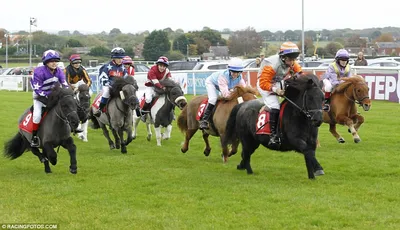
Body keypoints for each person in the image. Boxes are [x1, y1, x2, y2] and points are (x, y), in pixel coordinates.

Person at [257, 41, 302, 147]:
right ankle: (273, 135)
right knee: (276, 106)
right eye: (290, 59)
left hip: (277, 82)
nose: (292, 62)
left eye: (294, 59)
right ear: (283, 57)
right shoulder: (271, 65)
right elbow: (264, 83)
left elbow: (300, 74)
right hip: (264, 84)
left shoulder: (291, 62)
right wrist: (275, 90)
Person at [30, 50, 70, 147]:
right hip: (40, 97)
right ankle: (34, 137)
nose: (54, 63)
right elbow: (37, 90)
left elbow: (65, 85)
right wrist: (52, 94)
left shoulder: (59, 71)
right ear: (46, 62)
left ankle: (70, 129)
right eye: (51, 61)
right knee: (37, 116)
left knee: (66, 109)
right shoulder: (39, 72)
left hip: (54, 95)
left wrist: (68, 93)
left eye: (56, 61)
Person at [199, 58, 247, 130]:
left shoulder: (240, 78)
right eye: (233, 72)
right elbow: (226, 95)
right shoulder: (223, 76)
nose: (235, 74)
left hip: (224, 86)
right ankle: (204, 120)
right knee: (213, 99)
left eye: (238, 72)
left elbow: (244, 91)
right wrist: (234, 93)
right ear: (229, 70)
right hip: (212, 83)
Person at [93, 47, 127, 117]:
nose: (120, 60)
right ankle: (100, 109)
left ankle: (135, 109)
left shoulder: (123, 68)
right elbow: (103, 79)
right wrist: (110, 85)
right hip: (109, 85)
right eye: (118, 58)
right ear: (113, 58)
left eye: (121, 58)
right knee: (106, 92)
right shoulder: (106, 67)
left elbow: (126, 78)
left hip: (120, 87)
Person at [140, 56, 171, 121]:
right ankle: (144, 113)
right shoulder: (152, 70)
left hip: (161, 87)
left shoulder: (167, 71)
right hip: (151, 86)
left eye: (164, 66)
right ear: (157, 65)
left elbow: (170, 80)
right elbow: (155, 82)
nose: (162, 68)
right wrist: (162, 87)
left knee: (170, 97)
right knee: (148, 99)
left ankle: (171, 113)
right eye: (160, 65)